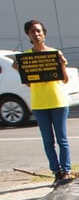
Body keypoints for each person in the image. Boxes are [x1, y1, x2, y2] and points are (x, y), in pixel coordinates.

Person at [15, 20, 72, 182]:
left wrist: (62, 64)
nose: (36, 34)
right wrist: (20, 69)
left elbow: (65, 79)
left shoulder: (55, 53)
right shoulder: (26, 56)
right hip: (39, 104)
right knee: (48, 141)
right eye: (32, 32)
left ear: (44, 33)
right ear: (28, 35)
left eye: (39, 31)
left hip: (58, 101)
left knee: (62, 140)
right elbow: (29, 83)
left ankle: (66, 171)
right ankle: (56, 172)